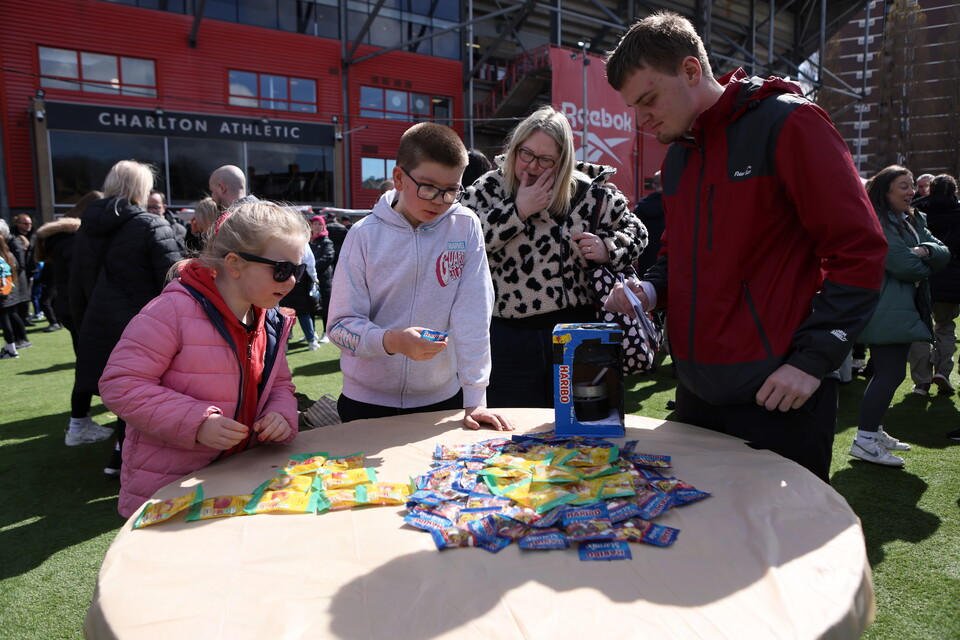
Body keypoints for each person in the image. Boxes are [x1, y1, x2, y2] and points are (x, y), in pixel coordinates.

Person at [603, 11, 888, 482]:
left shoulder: (789, 123)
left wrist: (812, 361)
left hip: (778, 397)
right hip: (695, 392)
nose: (641, 118)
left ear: (692, 71)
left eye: (648, 98)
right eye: (634, 106)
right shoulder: (679, 156)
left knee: (778, 551)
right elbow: (678, 254)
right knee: (696, 545)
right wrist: (649, 292)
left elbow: (860, 250)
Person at [99, 200, 307, 517]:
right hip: (171, 487)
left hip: (240, 478)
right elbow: (120, 384)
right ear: (234, 264)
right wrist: (197, 423)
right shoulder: (172, 311)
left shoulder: (268, 318)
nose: (291, 280)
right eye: (282, 270)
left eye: (298, 270)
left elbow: (279, 384)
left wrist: (281, 414)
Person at [327, 121, 513, 431]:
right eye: (428, 187)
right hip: (365, 401)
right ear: (398, 178)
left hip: (442, 400)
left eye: (451, 190)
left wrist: (476, 397)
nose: (439, 201)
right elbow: (339, 326)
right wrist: (391, 341)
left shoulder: (465, 226)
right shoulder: (363, 236)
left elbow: (474, 313)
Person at [461, 105, 645, 408]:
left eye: (545, 159)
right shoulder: (489, 188)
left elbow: (637, 233)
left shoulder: (590, 192)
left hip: (581, 334)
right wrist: (517, 211)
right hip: (510, 336)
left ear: (563, 160)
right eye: (526, 154)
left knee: (585, 429)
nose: (532, 166)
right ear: (516, 146)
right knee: (511, 435)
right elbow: (463, 242)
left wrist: (607, 247)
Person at [69, 160, 182, 458]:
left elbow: (76, 284)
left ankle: (120, 458)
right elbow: (174, 283)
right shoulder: (151, 224)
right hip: (145, 326)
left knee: (124, 393)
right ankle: (125, 461)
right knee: (143, 397)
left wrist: (83, 326)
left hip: (98, 323)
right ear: (142, 188)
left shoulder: (85, 229)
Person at [853, 166, 950, 465]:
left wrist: (923, 252)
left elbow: (943, 251)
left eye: (911, 186)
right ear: (885, 191)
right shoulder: (878, 221)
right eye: (903, 186)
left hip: (901, 305)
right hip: (886, 306)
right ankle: (865, 440)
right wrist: (924, 257)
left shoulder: (912, 218)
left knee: (890, 373)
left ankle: (873, 432)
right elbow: (903, 265)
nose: (911, 192)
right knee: (889, 373)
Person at [34, 191, 112, 441]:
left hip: (69, 307)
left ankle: (80, 422)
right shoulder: (74, 237)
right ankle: (78, 425)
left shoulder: (62, 236)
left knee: (86, 364)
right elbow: (84, 278)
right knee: (88, 366)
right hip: (78, 308)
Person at [908, 174, 960, 397]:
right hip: (952, 281)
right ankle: (943, 371)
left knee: (919, 328)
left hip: (922, 275)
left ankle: (922, 381)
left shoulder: (915, 210)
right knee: (945, 328)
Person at [0, 220, 26, 359]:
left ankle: (11, 349)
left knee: (5, 321)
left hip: (3, 293)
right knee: (10, 318)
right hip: (10, 291)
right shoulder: (8, 255)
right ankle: (11, 346)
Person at [309, 215, 335, 343]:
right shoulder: (308, 241)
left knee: (325, 305)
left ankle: (326, 332)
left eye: (320, 224)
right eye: (315, 224)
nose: (317, 226)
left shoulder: (327, 241)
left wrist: (311, 266)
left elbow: (328, 258)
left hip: (324, 279)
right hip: (310, 278)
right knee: (310, 305)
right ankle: (311, 332)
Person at [633, 170, 664, 276]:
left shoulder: (641, 207)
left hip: (645, 260)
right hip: (666, 261)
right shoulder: (674, 205)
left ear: (653, 185)